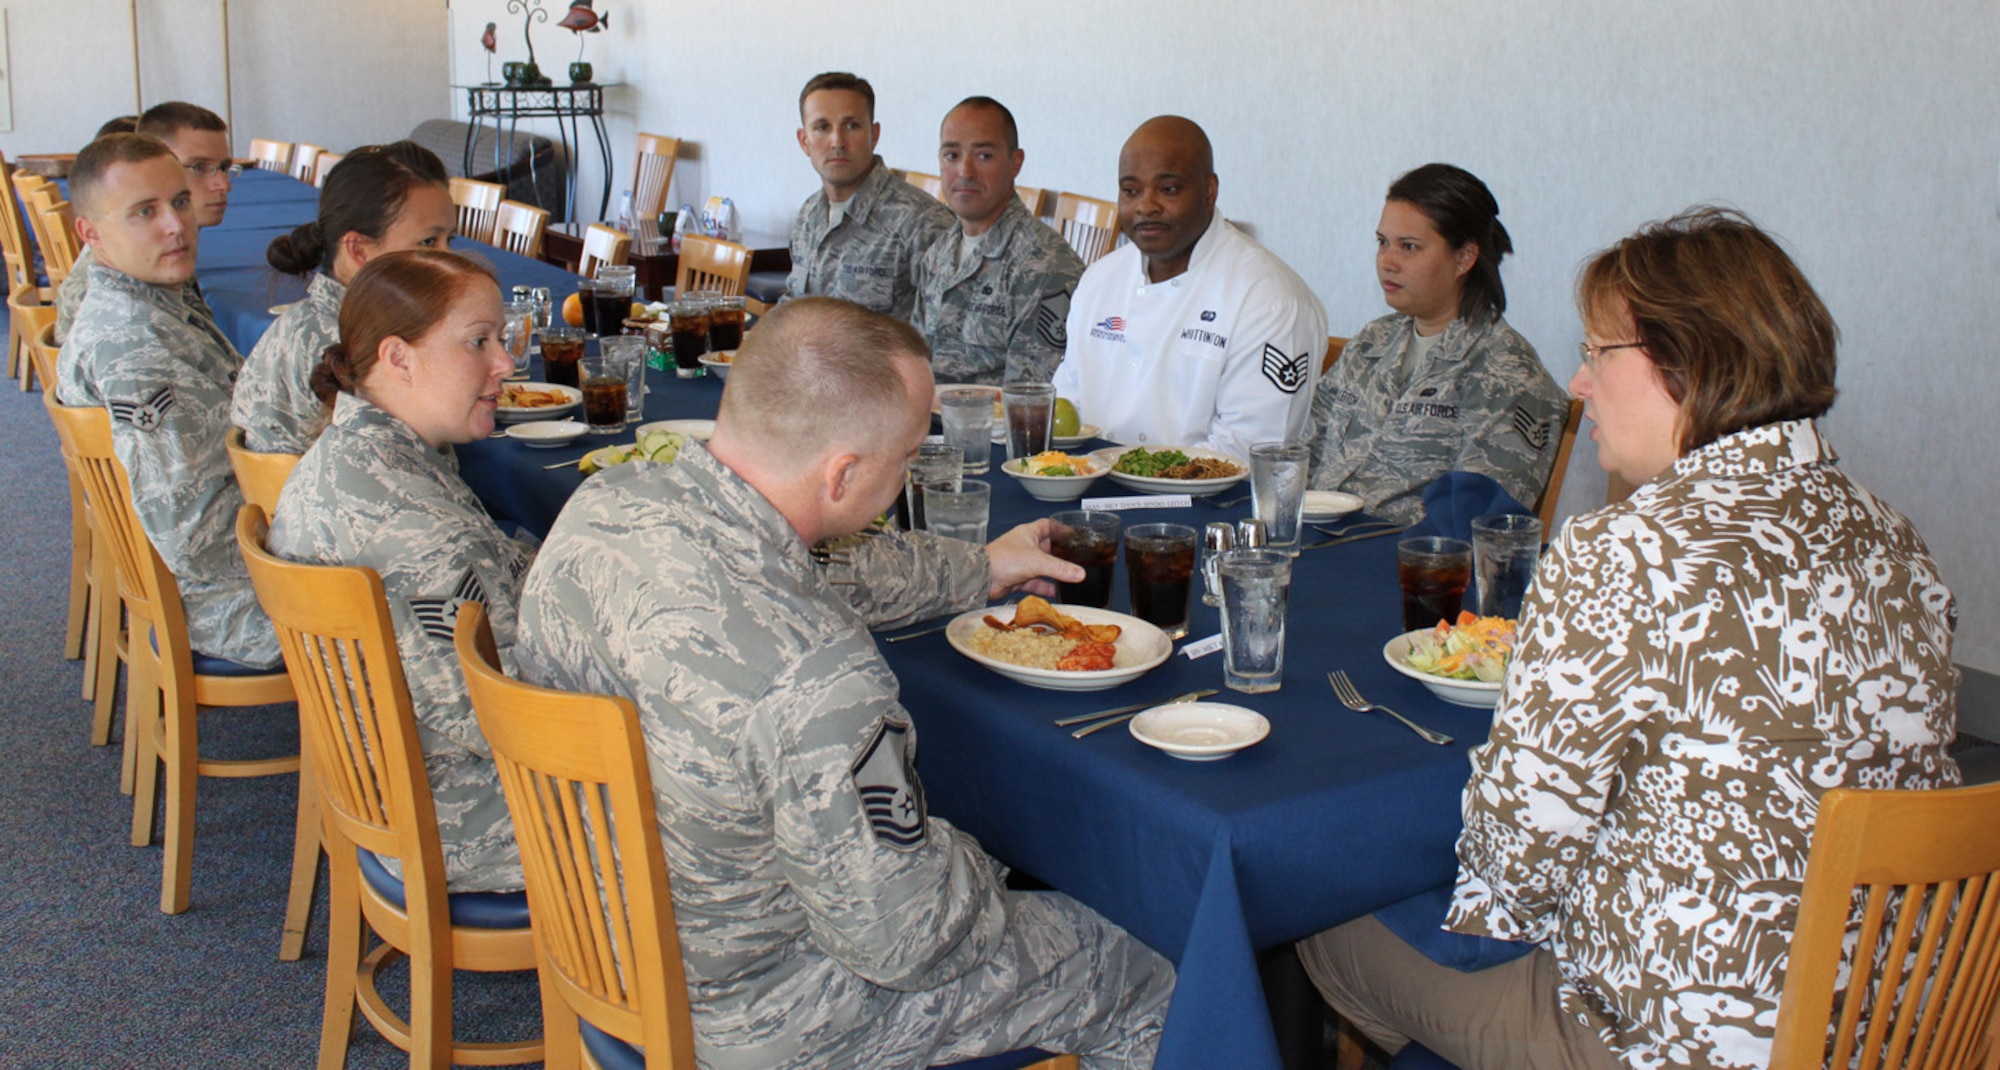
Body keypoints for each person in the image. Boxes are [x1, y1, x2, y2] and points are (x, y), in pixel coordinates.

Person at [1295, 207, 1961, 1070]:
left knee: (1317, 924)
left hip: (1678, 1042)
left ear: (1685, 364)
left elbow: (1513, 879)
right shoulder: (1895, 537)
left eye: (1596, 353)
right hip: (1899, 1022)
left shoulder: (1627, 551)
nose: (1578, 384)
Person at [514, 297, 1175, 1069]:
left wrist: (981, 568)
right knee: (1145, 961)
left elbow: (823, 574)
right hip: (764, 1012)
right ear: (844, 474)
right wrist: (991, 848)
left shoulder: (610, 506)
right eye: (903, 463)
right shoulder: (816, 668)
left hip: (605, 935)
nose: (905, 479)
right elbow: (909, 942)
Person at [268, 250, 528, 891]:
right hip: (464, 813)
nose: (507, 363)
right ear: (398, 357)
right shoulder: (413, 524)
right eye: (479, 342)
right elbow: (514, 716)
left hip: (391, 782)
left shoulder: (357, 451)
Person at [56, 134, 278, 668]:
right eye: (144, 212)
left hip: (224, 576)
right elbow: (199, 539)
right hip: (229, 604)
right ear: (92, 234)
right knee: (436, 591)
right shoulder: (136, 346)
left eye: (180, 201)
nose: (177, 225)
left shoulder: (153, 298)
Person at [1306, 164, 1568, 524]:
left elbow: (1473, 526)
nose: (1387, 262)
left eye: (1409, 247)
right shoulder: (1372, 342)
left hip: (1408, 566)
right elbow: (1304, 453)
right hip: (1316, 539)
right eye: (1382, 243)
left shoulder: (1508, 374)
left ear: (1464, 258)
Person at [1050, 115, 1326, 459]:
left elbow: (1249, 452)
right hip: (1088, 487)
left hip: (1206, 506)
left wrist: (1120, 473)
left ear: (1209, 191)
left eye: (1168, 189)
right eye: (1130, 190)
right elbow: (1065, 405)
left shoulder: (1270, 300)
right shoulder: (1099, 280)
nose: (1146, 205)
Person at [232, 141, 456, 453]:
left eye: (450, 240)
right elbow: (414, 465)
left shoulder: (307, 317)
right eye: (428, 242)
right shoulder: (356, 349)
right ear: (359, 250)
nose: (449, 261)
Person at [910, 96, 1083, 385]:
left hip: (990, 428)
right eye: (951, 155)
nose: (965, 171)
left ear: (1015, 164)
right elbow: (914, 360)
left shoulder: (1044, 266)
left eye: (984, 156)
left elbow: (1029, 401)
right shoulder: (940, 252)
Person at [57, 101, 236, 345]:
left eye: (224, 168)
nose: (223, 185)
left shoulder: (150, 259)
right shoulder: (126, 322)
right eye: (200, 167)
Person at [785, 71, 955, 319]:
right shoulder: (809, 214)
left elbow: (951, 336)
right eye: (822, 127)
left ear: (873, 135)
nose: (837, 141)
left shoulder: (922, 223)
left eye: (851, 126)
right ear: (804, 141)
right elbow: (793, 304)